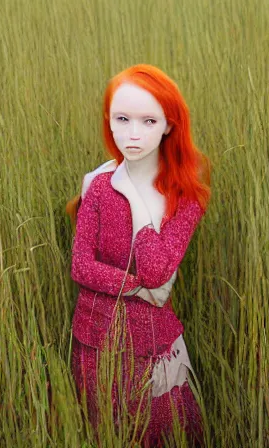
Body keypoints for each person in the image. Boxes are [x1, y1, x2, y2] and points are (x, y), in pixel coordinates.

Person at [67, 64, 211, 446]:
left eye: (148, 121)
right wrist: (137, 289)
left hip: (152, 342)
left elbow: (154, 270)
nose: (132, 133)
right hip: (95, 337)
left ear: (168, 125)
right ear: (109, 122)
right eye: (122, 119)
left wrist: (133, 197)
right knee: (101, 432)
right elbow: (81, 266)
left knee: (160, 432)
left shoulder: (186, 198)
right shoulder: (97, 188)